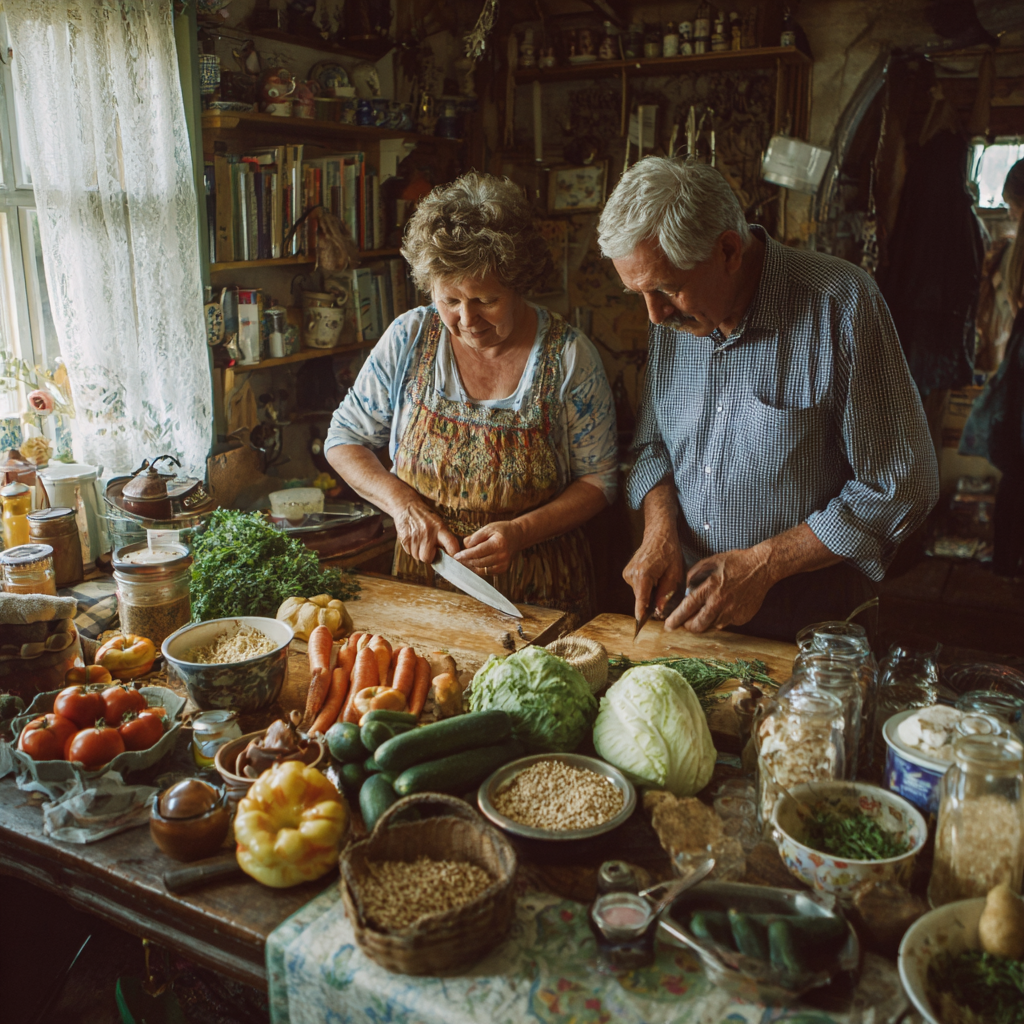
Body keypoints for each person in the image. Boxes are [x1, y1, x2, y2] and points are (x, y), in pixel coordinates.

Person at [598, 157, 939, 643]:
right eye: (639, 293)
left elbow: (902, 484)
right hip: (696, 603)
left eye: (666, 290)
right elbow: (653, 447)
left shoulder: (840, 303)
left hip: (814, 614)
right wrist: (658, 530)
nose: (654, 316)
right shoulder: (675, 319)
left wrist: (764, 564)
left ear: (729, 251)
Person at [326, 172, 618, 622]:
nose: (467, 319)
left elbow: (600, 481)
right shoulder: (409, 338)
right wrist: (403, 506)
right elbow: (343, 440)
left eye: (486, 299)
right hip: (426, 588)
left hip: (541, 598)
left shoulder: (569, 356)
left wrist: (520, 533)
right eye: (450, 300)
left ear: (518, 283)